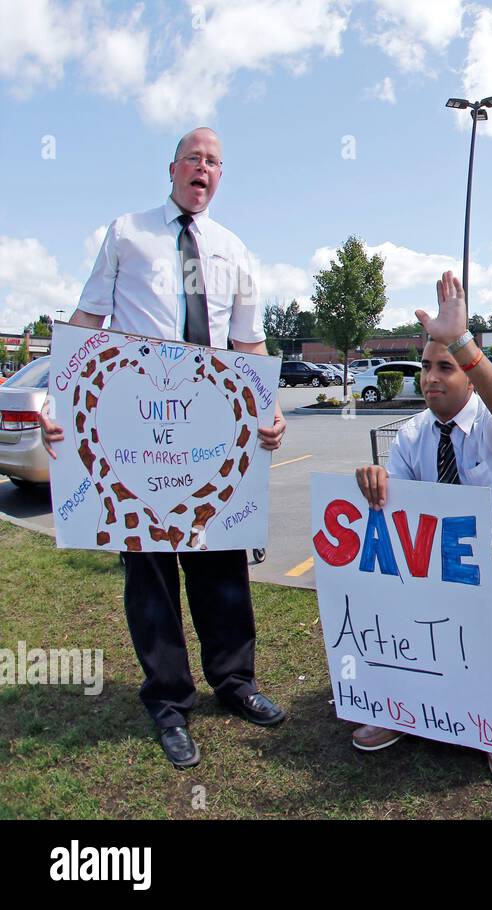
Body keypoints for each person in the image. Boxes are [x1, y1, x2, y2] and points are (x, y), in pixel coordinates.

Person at [38, 128, 288, 769]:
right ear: (172, 169)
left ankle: (235, 684)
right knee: (150, 569)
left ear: (220, 176)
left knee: (221, 559)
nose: (203, 169)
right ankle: (169, 702)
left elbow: (249, 342)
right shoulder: (128, 231)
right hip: (135, 426)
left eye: (214, 162)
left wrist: (270, 408)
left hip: (212, 427)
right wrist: (58, 402)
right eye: (194, 159)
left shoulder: (235, 250)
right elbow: (89, 319)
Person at [351, 271, 492, 780]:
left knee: (487, 597)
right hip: (434, 556)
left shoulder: (490, 421)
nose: (432, 377)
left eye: (447, 367)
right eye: (426, 367)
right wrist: (374, 482)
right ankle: (398, 707)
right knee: (372, 586)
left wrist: (463, 341)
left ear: (468, 374)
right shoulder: (411, 434)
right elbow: (392, 512)